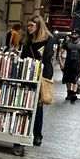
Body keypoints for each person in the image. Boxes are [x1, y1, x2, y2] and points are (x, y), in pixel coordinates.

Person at [22, 15, 54, 146]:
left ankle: (37, 134)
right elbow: (23, 56)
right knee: (27, 104)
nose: (29, 28)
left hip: (42, 74)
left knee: (38, 105)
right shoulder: (28, 40)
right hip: (28, 73)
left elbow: (48, 57)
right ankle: (25, 131)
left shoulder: (48, 39)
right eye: (28, 25)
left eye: (32, 26)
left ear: (38, 26)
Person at [59, 30, 80, 103]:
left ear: (79, 35)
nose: (74, 35)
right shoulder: (67, 43)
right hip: (68, 63)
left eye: (76, 34)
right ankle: (69, 92)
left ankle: (74, 93)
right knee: (67, 79)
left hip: (77, 64)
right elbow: (60, 53)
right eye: (73, 34)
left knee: (76, 79)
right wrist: (61, 63)